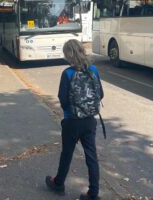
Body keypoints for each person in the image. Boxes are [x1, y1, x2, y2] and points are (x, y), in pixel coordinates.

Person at [45, 39, 104, 200]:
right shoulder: (93, 70)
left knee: (67, 154)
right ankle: (93, 193)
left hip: (72, 121)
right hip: (90, 121)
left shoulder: (68, 73)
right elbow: (101, 94)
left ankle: (58, 183)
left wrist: (70, 113)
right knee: (91, 156)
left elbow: (63, 99)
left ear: (68, 55)